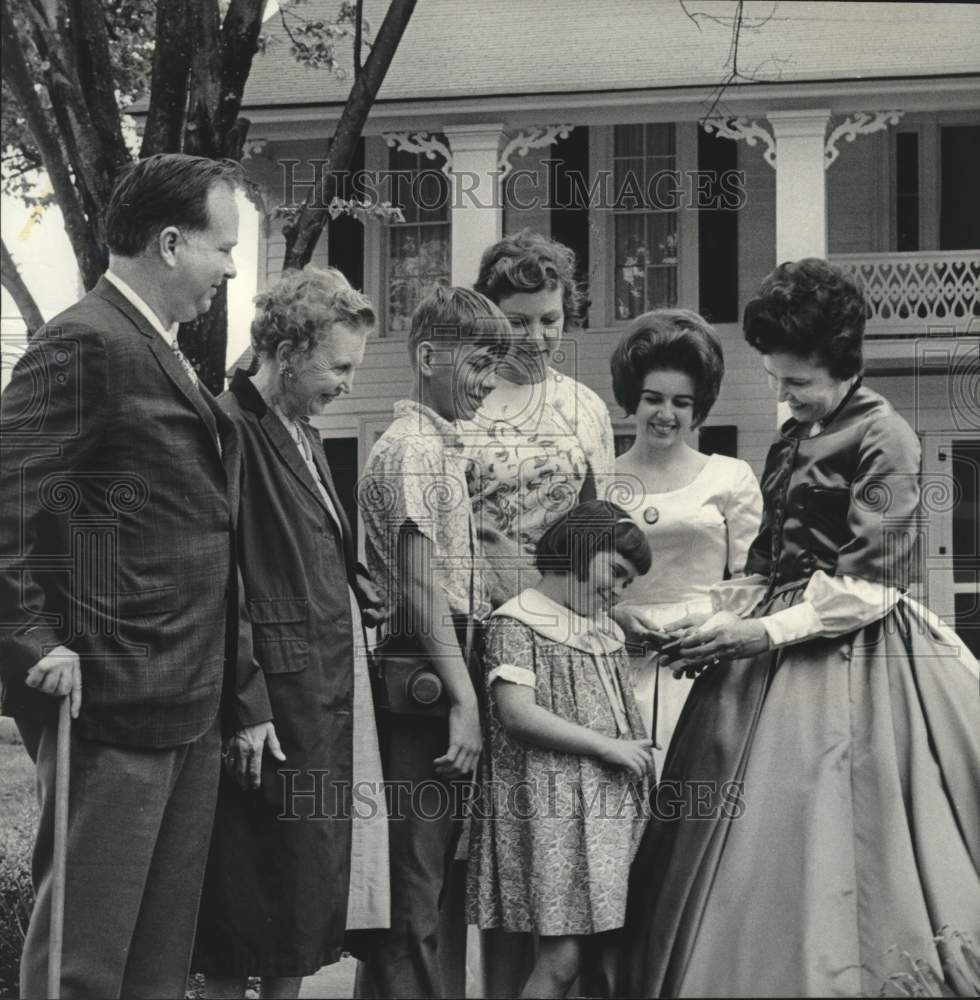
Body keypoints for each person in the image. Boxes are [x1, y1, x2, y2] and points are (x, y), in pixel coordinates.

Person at [619, 258, 980, 997]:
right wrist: (696, 621)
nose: (785, 397)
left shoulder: (888, 438)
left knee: (845, 830)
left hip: (858, 658)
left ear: (844, 366)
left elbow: (868, 587)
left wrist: (756, 635)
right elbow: (762, 571)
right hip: (766, 655)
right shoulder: (790, 440)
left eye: (798, 383)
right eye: (778, 381)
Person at [0, 154, 272, 999]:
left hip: (185, 701)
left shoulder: (158, 348)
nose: (231, 268)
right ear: (168, 243)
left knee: (156, 967)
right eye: (222, 248)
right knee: (82, 964)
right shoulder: (85, 341)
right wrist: (35, 637)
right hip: (110, 703)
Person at [191, 267, 388, 998]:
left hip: (316, 696)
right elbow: (218, 578)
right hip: (268, 704)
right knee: (245, 908)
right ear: (289, 348)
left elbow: (315, 542)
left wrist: (357, 583)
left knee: (297, 905)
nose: (347, 383)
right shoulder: (229, 427)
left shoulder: (301, 431)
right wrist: (247, 708)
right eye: (338, 366)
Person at [355, 286, 511, 999]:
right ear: (428, 356)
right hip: (424, 672)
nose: (488, 383)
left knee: (430, 879)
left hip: (447, 658)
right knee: (414, 886)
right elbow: (421, 593)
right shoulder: (413, 447)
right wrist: (464, 701)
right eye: (478, 365)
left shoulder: (439, 445)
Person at [467, 500, 654, 999]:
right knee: (563, 958)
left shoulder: (601, 630)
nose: (616, 590)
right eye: (613, 571)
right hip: (558, 817)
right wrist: (605, 746)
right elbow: (517, 713)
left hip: (607, 819)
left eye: (626, 582)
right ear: (580, 547)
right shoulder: (517, 622)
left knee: (607, 956)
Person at [608, 310, 762, 770]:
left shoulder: (729, 476)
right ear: (633, 399)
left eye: (681, 403)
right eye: (653, 398)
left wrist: (707, 623)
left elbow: (754, 579)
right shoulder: (600, 478)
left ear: (698, 409)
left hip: (704, 657)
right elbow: (577, 580)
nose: (665, 414)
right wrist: (616, 616)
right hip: (618, 654)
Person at [462, 229, 616, 604]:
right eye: (518, 323)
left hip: (568, 608)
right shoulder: (461, 405)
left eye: (549, 320)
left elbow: (597, 525)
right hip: (481, 605)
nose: (536, 337)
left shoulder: (587, 406)